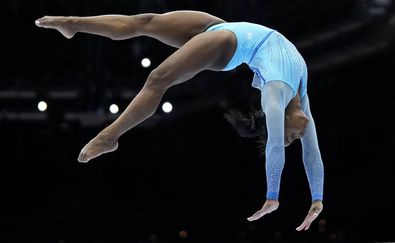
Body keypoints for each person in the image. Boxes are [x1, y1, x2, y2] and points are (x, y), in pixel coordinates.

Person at [35, 10, 324, 231]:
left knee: (158, 79)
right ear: (286, 120)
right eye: (292, 138)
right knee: (146, 22)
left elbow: (277, 146)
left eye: (291, 140)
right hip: (224, 27)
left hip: (227, 46)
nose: (298, 138)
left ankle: (109, 137)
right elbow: (311, 155)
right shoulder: (301, 95)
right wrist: (317, 200)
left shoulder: (275, 93)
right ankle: (72, 24)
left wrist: (272, 196)